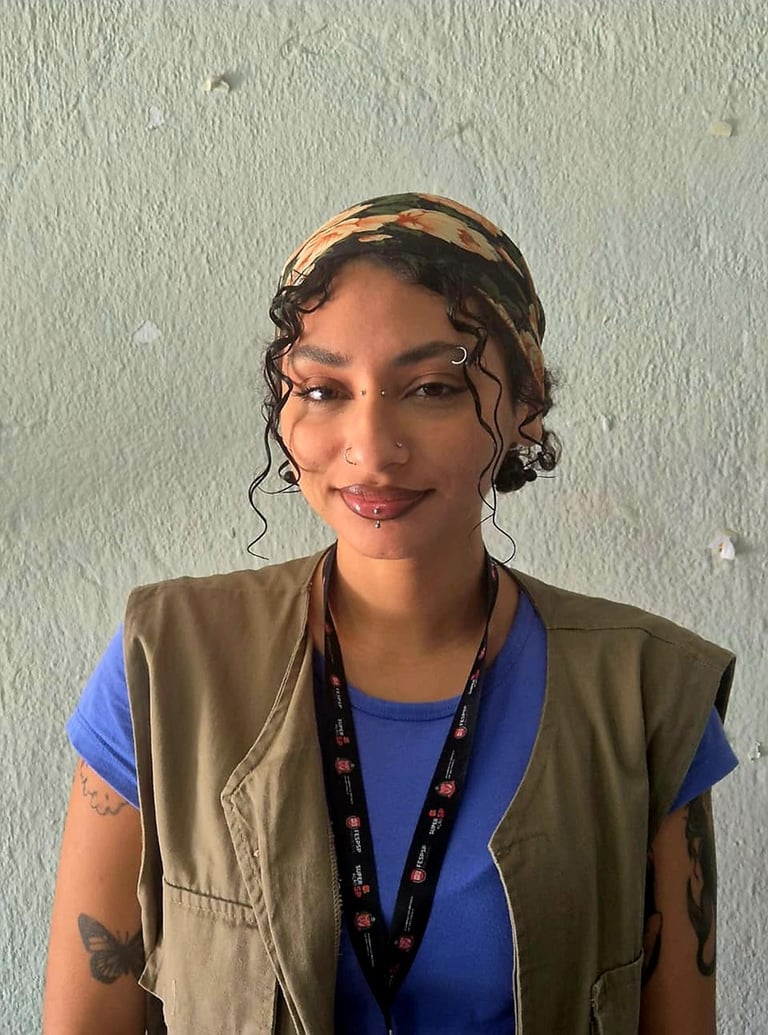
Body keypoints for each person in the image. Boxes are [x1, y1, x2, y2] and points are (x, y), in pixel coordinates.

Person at [44, 193, 737, 1035]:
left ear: (526, 402)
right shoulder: (164, 665)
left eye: (433, 387)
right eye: (324, 389)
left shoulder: (646, 695)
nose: (370, 448)